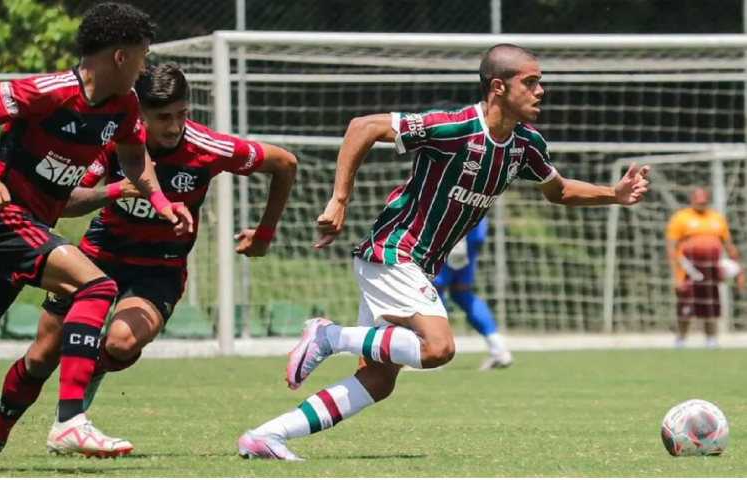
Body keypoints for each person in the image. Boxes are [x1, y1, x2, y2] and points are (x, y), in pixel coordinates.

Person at [237, 43, 650, 461]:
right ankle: (328, 336)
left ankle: (266, 435)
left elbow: (559, 191)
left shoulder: (526, 145)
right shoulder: (454, 127)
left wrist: (613, 195)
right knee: (438, 348)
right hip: (395, 250)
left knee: (378, 381)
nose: (540, 90)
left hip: (413, 263)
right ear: (498, 87)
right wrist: (340, 199)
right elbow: (363, 126)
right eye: (530, 82)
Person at [0, 63, 298, 459]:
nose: (174, 127)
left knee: (121, 342)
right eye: (162, 118)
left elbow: (284, 163)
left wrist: (265, 233)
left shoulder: (207, 148)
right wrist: (120, 189)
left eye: (181, 115)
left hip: (160, 266)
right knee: (40, 355)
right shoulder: (110, 142)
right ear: (140, 114)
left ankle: (85, 384)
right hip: (101, 253)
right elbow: (65, 203)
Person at [0, 3, 192, 457]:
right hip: (1, 220)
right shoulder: (50, 90)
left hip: (28, 229)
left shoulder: (124, 104)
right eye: (141, 55)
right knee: (97, 286)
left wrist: (158, 200)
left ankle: (5, 434)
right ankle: (70, 422)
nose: (143, 66)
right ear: (119, 56)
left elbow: (135, 157)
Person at [666, 187, 744, 348]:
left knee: (710, 303)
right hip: (689, 270)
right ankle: (681, 339)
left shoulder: (717, 218)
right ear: (691, 199)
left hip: (711, 269)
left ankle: (711, 339)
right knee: (685, 305)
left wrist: (740, 269)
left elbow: (728, 245)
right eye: (697, 201)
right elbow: (671, 247)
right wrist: (675, 276)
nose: (700, 204)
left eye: (704, 201)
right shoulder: (681, 218)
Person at [432, 217, 512, 371]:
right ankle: (498, 348)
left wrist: (457, 239)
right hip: (474, 229)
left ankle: (435, 353)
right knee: (460, 292)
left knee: (434, 291)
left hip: (453, 229)